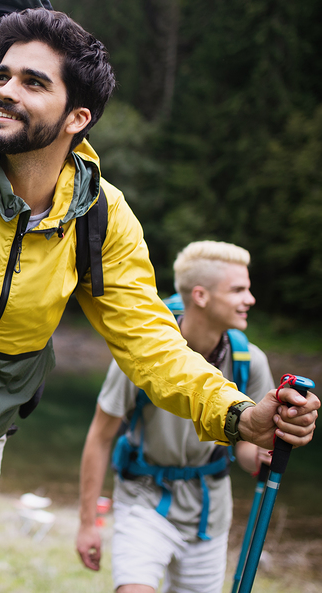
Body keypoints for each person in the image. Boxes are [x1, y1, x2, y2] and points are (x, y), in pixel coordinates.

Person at [0, 8, 319, 593]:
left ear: (76, 117)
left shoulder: (100, 216)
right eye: (2, 76)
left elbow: (152, 343)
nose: (4, 92)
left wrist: (238, 415)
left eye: (33, 83)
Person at [76, 241, 274, 593]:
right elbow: (100, 436)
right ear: (201, 295)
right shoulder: (142, 357)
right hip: (144, 500)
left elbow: (245, 451)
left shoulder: (249, 361)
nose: (250, 298)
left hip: (208, 515)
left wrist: (263, 453)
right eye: (238, 290)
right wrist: (88, 522)